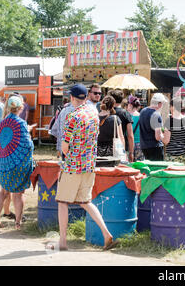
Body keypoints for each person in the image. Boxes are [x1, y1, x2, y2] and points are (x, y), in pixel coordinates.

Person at [55, 84, 118, 251]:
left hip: (73, 166)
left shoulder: (73, 116)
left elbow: (65, 146)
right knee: (86, 202)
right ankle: (106, 234)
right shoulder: (93, 114)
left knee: (62, 201)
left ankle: (62, 241)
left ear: (73, 98)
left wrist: (66, 158)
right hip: (89, 165)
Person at [0, 96, 34, 230]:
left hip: (3, 164)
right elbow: (28, 145)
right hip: (17, 164)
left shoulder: (2, 123)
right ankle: (17, 223)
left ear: (8, 108)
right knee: (19, 193)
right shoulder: (21, 123)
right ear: (21, 108)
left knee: (3, 192)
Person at [162, 98, 185, 164]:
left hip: (172, 156)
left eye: (170, 106)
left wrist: (161, 135)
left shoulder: (169, 121)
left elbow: (166, 141)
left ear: (173, 107)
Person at [139, 93, 168, 161]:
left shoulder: (142, 111)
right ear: (159, 103)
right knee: (157, 169)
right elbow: (157, 137)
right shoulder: (156, 115)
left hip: (144, 146)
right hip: (155, 147)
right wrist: (163, 136)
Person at [109, 90, 134, 162]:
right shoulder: (125, 113)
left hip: (107, 147)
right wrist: (131, 153)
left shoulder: (107, 112)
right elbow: (130, 136)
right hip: (121, 147)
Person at [126, 95, 144, 161]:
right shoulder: (141, 116)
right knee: (139, 166)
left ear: (130, 105)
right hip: (140, 144)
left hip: (129, 144)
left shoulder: (127, 116)